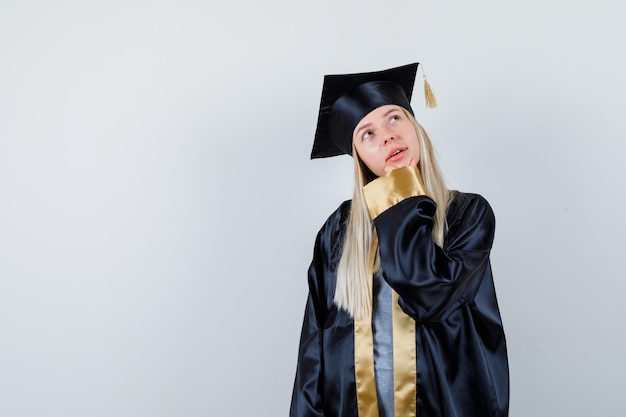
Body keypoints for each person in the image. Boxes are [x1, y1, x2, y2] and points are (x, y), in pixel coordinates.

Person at [289, 63, 509, 417]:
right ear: (359, 157)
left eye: (394, 119)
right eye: (368, 134)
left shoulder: (467, 215)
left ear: (414, 127)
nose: (388, 136)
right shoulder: (337, 232)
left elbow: (429, 296)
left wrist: (402, 196)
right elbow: (313, 351)